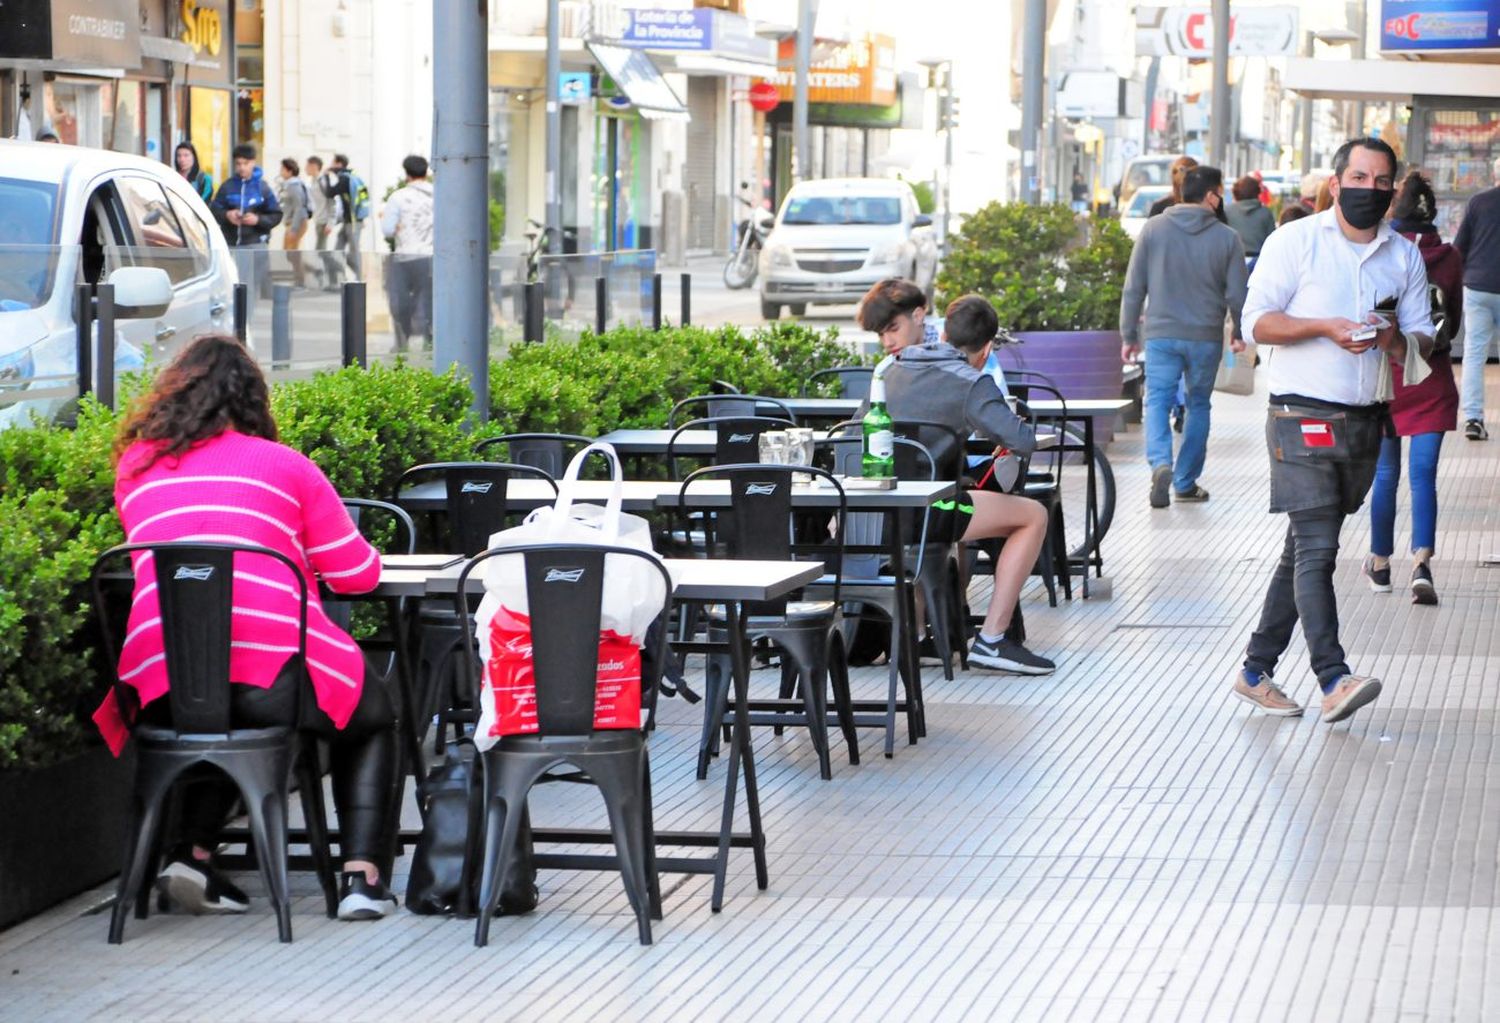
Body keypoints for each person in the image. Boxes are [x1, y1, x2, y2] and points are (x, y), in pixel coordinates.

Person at [95, 335, 400, 920]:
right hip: (271, 675)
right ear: (254, 400)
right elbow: (358, 575)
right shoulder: (285, 466)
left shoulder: (137, 467)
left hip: (161, 681)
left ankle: (191, 854)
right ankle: (363, 879)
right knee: (373, 717)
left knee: (218, 711)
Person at [1232, 137, 1437, 724]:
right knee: (1319, 548)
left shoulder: (1403, 255)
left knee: (1303, 547)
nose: (1368, 190)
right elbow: (1258, 322)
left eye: (1381, 182)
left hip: (1366, 420)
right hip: (1301, 417)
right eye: (1358, 177)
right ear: (1335, 180)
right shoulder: (1294, 241)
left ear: (1393, 189)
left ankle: (1254, 669)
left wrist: (1393, 337)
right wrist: (1324, 327)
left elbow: (1424, 340)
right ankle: (1333, 677)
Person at [874, 293, 1053, 674]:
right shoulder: (973, 382)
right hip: (934, 511)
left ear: (941, 333)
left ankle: (925, 635)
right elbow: (1021, 441)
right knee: (1034, 515)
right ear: (987, 348)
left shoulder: (891, 370)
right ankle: (993, 639)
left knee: (961, 500)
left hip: (881, 513)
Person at [1120, 166, 1248, 508]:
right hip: (1205, 336)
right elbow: (1238, 294)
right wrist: (1238, 331)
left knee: (1158, 401)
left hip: (1162, 333)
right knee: (1198, 404)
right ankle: (1186, 481)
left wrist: (1128, 334)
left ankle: (1160, 463)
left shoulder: (1153, 229)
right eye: (1220, 191)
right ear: (1210, 195)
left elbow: (1134, 288)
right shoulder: (1227, 238)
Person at [1367, 170, 1462, 604]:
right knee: (1424, 476)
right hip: (1433, 378)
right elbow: (1453, 325)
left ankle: (1380, 563)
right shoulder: (1450, 257)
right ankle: (1421, 562)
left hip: (1390, 377)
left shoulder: (1384, 253)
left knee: (1386, 474)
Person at [1452, 155, 1500, 440]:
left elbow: (1460, 248)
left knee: (1473, 355)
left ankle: (1473, 419)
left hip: (1478, 288)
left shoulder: (1478, 203)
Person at [210, 143, 282, 316]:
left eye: (245, 163)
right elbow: (214, 210)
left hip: (254, 245)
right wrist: (227, 215)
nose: (241, 167)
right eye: (238, 164)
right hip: (230, 245)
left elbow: (276, 215)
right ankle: (230, 322)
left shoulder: (262, 188)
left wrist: (257, 220)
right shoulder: (227, 186)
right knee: (228, 286)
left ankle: (245, 326)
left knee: (249, 289)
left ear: (253, 163)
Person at [380, 154, 435, 351]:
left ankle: (402, 343)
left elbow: (387, 229)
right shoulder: (439, 195)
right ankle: (431, 345)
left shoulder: (398, 197)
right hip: (432, 258)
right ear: (426, 172)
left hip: (406, 258)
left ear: (406, 173)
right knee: (429, 301)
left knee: (401, 301)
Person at [856, 277, 930, 358]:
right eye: (881, 334)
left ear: (918, 316)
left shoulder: (945, 349)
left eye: (894, 329)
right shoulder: (887, 368)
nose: (888, 343)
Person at [321, 153, 364, 280]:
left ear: (339, 164)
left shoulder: (345, 179)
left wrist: (327, 176)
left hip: (353, 222)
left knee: (354, 252)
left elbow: (330, 192)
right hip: (348, 221)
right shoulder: (349, 176)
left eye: (333, 163)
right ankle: (340, 278)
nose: (330, 165)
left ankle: (360, 278)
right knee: (338, 250)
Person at [276, 157, 312, 288]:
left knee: (293, 253)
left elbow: (299, 208)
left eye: (282, 169)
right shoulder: (287, 185)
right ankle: (299, 278)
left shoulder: (294, 186)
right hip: (292, 223)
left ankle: (301, 281)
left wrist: (294, 229)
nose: (280, 171)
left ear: (289, 171)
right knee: (289, 252)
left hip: (296, 223)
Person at [306, 155, 341, 289]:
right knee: (321, 252)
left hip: (324, 222)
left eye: (308, 165)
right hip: (319, 221)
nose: (305, 168)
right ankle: (329, 280)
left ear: (314, 166)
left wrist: (330, 222)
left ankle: (332, 280)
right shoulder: (313, 182)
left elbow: (332, 202)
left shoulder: (322, 181)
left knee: (321, 252)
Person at [1225, 174, 1276, 258]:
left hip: (1233, 258)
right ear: (1257, 192)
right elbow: (1272, 241)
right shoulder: (1265, 213)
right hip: (1259, 259)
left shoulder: (1227, 211)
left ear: (1235, 192)